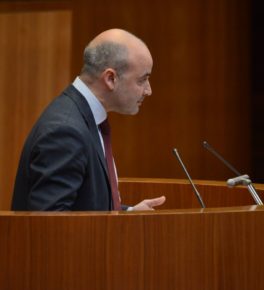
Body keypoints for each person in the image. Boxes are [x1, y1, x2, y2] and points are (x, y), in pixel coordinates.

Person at [11, 28, 165, 211]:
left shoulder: (83, 117)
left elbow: (83, 208)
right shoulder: (65, 131)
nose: (148, 90)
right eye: (142, 80)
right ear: (110, 79)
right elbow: (50, 227)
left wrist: (128, 213)